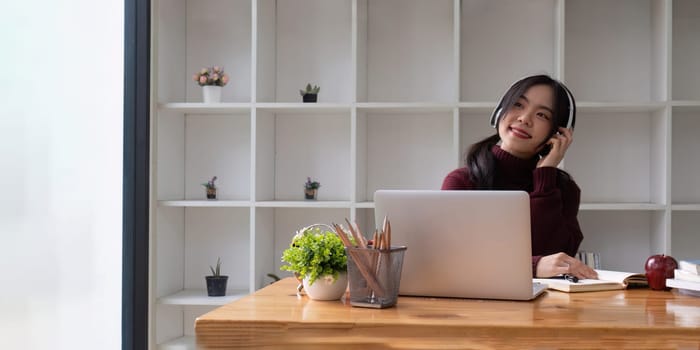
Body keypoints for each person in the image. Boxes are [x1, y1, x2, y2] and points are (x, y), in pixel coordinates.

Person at [441, 74, 597, 280]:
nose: (525, 118)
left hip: (547, 305)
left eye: (542, 115)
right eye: (518, 105)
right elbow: (453, 258)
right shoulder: (462, 182)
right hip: (475, 302)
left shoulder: (564, 189)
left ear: (557, 133)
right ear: (499, 112)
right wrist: (532, 266)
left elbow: (555, 258)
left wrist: (545, 176)